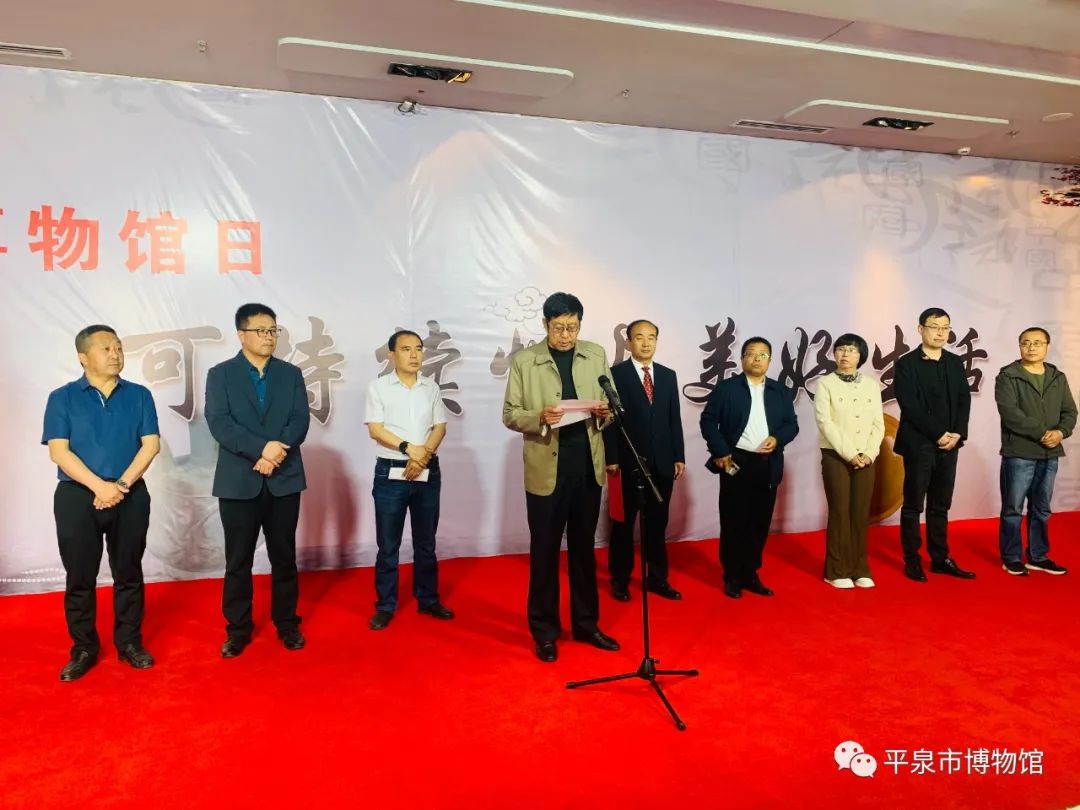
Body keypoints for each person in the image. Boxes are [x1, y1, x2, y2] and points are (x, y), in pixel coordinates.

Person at [502, 292, 619, 663]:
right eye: (558, 328)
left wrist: (604, 412)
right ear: (545, 324)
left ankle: (586, 624)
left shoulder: (595, 354)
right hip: (546, 471)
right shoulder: (526, 361)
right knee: (545, 552)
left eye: (572, 327)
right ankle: (545, 631)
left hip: (587, 468)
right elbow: (510, 414)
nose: (566, 335)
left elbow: (612, 405)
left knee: (584, 551)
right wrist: (539, 416)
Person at [42, 325, 160, 681]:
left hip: (129, 493)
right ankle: (83, 648)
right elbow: (59, 452)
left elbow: (151, 445)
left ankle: (129, 643)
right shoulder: (62, 398)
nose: (115, 354)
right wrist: (99, 486)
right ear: (83, 357)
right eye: (106, 348)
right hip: (77, 496)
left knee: (129, 572)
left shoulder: (139, 395)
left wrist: (120, 486)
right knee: (80, 576)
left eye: (118, 347)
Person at [205, 303, 310, 658]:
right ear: (241, 335)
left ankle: (287, 623)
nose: (269, 337)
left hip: (284, 478)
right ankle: (238, 629)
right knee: (238, 561)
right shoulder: (220, 374)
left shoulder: (291, 374)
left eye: (273, 330)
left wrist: (275, 452)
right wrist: (261, 449)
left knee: (285, 557)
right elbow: (219, 422)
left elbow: (299, 420)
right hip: (238, 481)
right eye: (261, 330)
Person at [364, 329, 454, 630]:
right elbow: (376, 429)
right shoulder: (379, 387)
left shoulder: (431, 387)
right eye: (406, 349)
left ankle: (428, 599)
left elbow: (440, 427)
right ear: (392, 355)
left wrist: (422, 456)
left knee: (426, 542)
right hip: (391, 472)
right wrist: (408, 449)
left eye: (418, 348)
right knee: (388, 544)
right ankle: (385, 605)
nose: (414, 355)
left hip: (427, 470)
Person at [700, 337, 799, 599]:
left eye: (763, 355)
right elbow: (708, 421)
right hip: (736, 462)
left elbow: (792, 425)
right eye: (751, 354)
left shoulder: (780, 391)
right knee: (734, 521)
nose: (757, 359)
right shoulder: (727, 388)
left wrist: (777, 439)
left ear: (770, 360)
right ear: (742, 358)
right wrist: (721, 451)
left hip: (767, 463)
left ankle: (750, 573)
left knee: (759, 522)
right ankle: (732, 576)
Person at [603, 319, 686, 602]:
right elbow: (609, 421)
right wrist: (612, 458)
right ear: (629, 342)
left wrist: (678, 455)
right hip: (627, 463)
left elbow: (673, 418)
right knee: (623, 526)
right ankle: (620, 580)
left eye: (651, 337)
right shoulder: (615, 375)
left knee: (657, 525)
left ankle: (658, 579)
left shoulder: (668, 375)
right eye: (639, 337)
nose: (646, 342)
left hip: (663, 462)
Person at [894, 307, 975, 582]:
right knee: (913, 504)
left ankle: (940, 558)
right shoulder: (907, 364)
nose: (940, 333)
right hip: (920, 444)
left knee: (941, 504)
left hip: (950, 444)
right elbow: (910, 405)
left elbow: (964, 399)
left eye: (945, 328)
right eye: (934, 327)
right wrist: (938, 433)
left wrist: (958, 433)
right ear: (920, 329)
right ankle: (912, 560)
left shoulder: (954, 362)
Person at [994, 327, 1076, 576]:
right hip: (1019, 452)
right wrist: (1043, 433)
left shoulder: (1056, 376)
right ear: (1019, 346)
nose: (1031, 347)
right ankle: (1011, 558)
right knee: (1013, 508)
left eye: (1038, 343)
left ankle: (1038, 557)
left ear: (1047, 347)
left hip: (1050, 453)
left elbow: (1070, 411)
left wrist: (1060, 432)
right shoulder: (1008, 376)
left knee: (1042, 508)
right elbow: (1010, 414)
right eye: (1026, 342)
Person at [813, 333, 884, 589]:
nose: (845, 354)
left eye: (852, 350)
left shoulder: (871, 385)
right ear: (834, 354)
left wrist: (869, 453)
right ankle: (835, 570)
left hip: (866, 457)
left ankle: (859, 568)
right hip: (836, 454)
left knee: (860, 512)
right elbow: (825, 422)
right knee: (840, 511)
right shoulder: (825, 384)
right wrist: (850, 453)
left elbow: (878, 423)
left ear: (860, 355)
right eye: (841, 349)